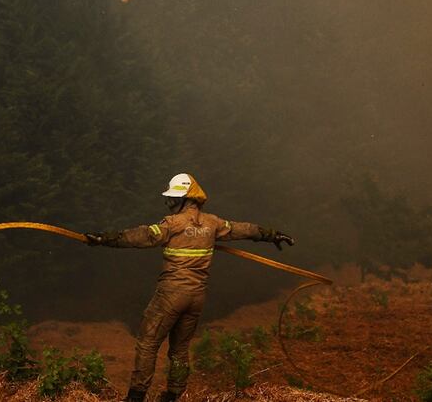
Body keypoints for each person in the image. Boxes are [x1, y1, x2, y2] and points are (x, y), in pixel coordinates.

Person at [85, 172, 294, 402]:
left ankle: (135, 397)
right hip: (196, 297)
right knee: (180, 349)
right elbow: (242, 229)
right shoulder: (213, 223)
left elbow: (142, 236)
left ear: (186, 199)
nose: (170, 202)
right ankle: (173, 395)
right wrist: (272, 235)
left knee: (147, 343)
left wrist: (105, 238)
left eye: (174, 198)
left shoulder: (172, 223)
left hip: (171, 294)